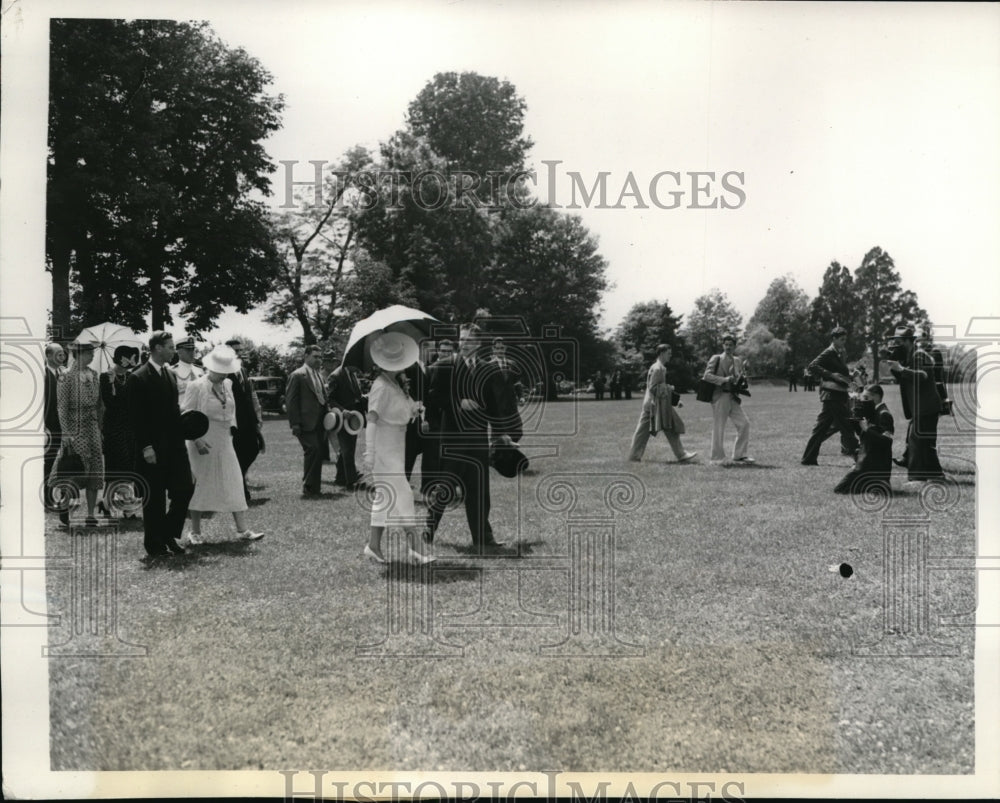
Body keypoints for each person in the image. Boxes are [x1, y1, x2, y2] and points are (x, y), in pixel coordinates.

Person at [424, 325, 505, 552]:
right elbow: (433, 397)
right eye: (462, 339)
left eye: (469, 340)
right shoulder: (445, 366)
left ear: (478, 343)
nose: (464, 343)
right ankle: (428, 530)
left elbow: (494, 406)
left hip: (478, 440)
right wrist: (458, 402)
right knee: (445, 488)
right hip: (453, 440)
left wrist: (500, 433)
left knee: (480, 491)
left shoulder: (487, 369)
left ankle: (483, 538)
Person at [180, 345, 264, 544]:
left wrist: (231, 431)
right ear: (211, 367)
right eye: (220, 370)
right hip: (202, 439)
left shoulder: (227, 384)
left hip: (225, 439)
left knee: (234, 478)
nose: (223, 374)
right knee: (202, 483)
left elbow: (231, 411)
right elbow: (185, 415)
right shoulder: (196, 386)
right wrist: (196, 439)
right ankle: (195, 531)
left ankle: (242, 530)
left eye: (227, 370)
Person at [362, 332, 433, 564]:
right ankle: (416, 549)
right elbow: (371, 419)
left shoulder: (396, 384)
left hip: (396, 445)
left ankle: (373, 547)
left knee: (384, 498)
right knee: (402, 493)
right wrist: (370, 452)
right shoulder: (381, 386)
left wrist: (415, 409)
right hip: (384, 446)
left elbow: (402, 410)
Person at [126, 331, 193, 558]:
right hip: (151, 450)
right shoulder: (138, 377)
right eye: (171, 346)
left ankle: (167, 535)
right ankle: (154, 546)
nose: (174, 350)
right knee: (154, 499)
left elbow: (174, 412)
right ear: (157, 348)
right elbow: (135, 418)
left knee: (184, 489)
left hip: (175, 447)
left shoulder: (171, 375)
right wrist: (146, 447)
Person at [52, 341, 105, 526]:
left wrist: (99, 427)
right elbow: (62, 407)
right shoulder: (65, 376)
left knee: (95, 470)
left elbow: (99, 405)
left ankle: (91, 515)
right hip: (74, 428)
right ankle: (64, 505)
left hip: (92, 428)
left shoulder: (94, 374)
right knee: (74, 468)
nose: (92, 356)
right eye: (88, 353)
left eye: (92, 352)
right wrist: (66, 433)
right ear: (78, 354)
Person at [882, 324, 945, 481]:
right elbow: (907, 381)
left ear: (908, 341)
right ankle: (936, 474)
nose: (896, 345)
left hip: (926, 407)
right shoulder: (909, 357)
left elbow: (922, 376)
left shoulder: (919, 355)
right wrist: (896, 369)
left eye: (899, 341)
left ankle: (916, 478)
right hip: (922, 407)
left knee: (916, 441)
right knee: (925, 443)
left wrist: (901, 369)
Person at [627, 344, 697, 463]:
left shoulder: (659, 367)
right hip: (654, 405)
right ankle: (634, 456)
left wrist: (674, 399)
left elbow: (658, 388)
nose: (670, 355)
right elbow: (653, 387)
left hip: (656, 404)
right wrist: (669, 388)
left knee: (669, 429)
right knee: (644, 432)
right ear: (662, 353)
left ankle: (681, 454)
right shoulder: (658, 368)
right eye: (668, 353)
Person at [800, 326, 859, 465]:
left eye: (845, 339)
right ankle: (861, 458)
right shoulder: (828, 352)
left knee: (820, 429)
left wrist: (850, 376)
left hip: (835, 395)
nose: (844, 342)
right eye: (842, 339)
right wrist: (831, 375)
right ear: (834, 339)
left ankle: (808, 458)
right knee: (846, 426)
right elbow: (812, 366)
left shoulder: (840, 352)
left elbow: (839, 372)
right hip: (832, 396)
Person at [99, 345, 140, 515]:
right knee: (118, 465)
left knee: (125, 466)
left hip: (129, 427)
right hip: (113, 427)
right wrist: (111, 385)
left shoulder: (132, 377)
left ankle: (106, 503)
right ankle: (127, 505)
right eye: (130, 357)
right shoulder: (105, 377)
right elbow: (109, 402)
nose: (133, 361)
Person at [702, 333, 755, 465]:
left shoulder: (737, 360)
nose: (728, 347)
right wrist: (724, 380)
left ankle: (739, 455)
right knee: (719, 427)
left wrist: (741, 380)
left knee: (744, 424)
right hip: (719, 396)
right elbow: (707, 376)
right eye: (726, 345)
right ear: (723, 345)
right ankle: (717, 458)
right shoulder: (716, 358)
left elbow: (737, 377)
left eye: (731, 345)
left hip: (732, 397)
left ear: (734, 346)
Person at [285, 345, 329, 498]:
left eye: (320, 357)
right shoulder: (297, 375)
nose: (319, 360)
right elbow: (291, 401)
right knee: (313, 450)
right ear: (306, 356)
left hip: (321, 422)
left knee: (317, 453)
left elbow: (323, 397)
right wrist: (295, 423)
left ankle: (314, 487)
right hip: (305, 423)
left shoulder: (318, 375)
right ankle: (309, 487)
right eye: (315, 356)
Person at [224, 337, 264, 502]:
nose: (240, 353)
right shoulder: (224, 371)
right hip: (234, 422)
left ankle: (239, 483)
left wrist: (257, 417)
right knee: (238, 454)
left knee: (253, 449)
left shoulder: (243, 370)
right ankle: (240, 490)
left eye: (241, 350)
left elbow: (250, 395)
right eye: (236, 350)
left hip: (248, 420)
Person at [835, 385, 894, 494]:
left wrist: (867, 429)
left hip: (875, 464)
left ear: (876, 397)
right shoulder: (872, 412)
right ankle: (874, 484)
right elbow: (864, 437)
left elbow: (887, 442)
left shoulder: (884, 414)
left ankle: (879, 483)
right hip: (866, 459)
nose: (863, 401)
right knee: (841, 488)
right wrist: (855, 422)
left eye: (866, 398)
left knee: (841, 489)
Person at [326, 361, 367, 491]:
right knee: (348, 449)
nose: (360, 369)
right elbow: (330, 399)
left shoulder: (351, 374)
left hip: (354, 418)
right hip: (343, 418)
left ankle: (340, 477)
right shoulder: (335, 376)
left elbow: (356, 396)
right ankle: (351, 481)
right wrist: (343, 411)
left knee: (347, 449)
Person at [43, 342, 66, 506]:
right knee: (48, 461)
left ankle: (64, 494)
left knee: (62, 462)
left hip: (63, 425)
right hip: (47, 426)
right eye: (58, 353)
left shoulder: (64, 373)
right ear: (49, 356)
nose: (62, 356)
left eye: (63, 353)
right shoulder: (42, 375)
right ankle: (46, 495)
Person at [169, 337, 204, 401]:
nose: (191, 352)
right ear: (179, 352)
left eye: (192, 349)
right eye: (188, 350)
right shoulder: (171, 371)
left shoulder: (200, 370)